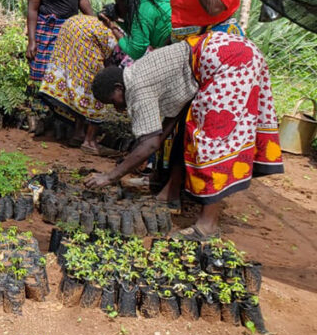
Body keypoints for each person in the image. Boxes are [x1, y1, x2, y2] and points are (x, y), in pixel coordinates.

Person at [87, 32, 283, 240]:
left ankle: (207, 226)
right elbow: (170, 121)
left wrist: (110, 176)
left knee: (211, 141)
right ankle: (169, 194)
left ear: (119, 88)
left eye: (114, 102)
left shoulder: (136, 87)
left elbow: (151, 144)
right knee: (189, 132)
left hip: (230, 62)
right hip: (230, 52)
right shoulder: (137, 72)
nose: (117, 109)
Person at [37, 14, 118, 154]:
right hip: (86, 54)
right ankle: (90, 141)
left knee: (80, 92)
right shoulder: (109, 32)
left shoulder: (82, 20)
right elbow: (110, 56)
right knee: (97, 94)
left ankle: (77, 133)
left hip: (71, 48)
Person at [25, 0, 93, 84]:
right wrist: (32, 41)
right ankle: (42, 98)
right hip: (49, 28)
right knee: (44, 71)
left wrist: (95, 22)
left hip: (71, 28)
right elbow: (33, 8)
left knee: (70, 70)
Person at [98, 0, 173, 61]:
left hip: (177, 44)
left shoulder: (140, 11)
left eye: (118, 4)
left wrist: (113, 28)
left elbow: (136, 52)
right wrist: (117, 20)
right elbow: (138, 33)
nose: (117, 7)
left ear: (127, 1)